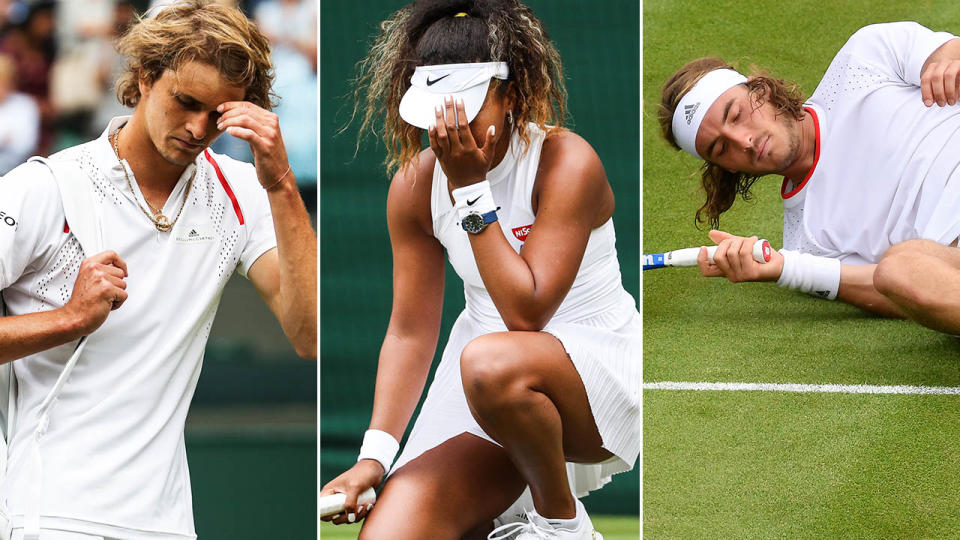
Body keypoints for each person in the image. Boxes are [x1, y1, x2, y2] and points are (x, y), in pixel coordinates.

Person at [319, 1, 640, 539]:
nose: (449, 135)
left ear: (509, 95)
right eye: (436, 117)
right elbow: (408, 332)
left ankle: (562, 525)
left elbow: (527, 312)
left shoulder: (568, 162)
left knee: (491, 362)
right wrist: (374, 457)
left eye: (464, 113)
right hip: (481, 380)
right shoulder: (414, 188)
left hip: (590, 377)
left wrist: (470, 191)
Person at [0, 2, 316, 539]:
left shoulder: (245, 192)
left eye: (218, 114)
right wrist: (70, 319)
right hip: (48, 516)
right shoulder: (43, 187)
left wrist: (283, 183)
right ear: (145, 77)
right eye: (185, 102)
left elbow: (309, 335)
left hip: (167, 524)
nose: (197, 128)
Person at [659, 21, 960, 334]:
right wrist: (784, 268)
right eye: (722, 148)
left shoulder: (864, 56)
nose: (744, 141)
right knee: (895, 272)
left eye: (736, 115)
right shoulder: (805, 245)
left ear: (760, 89)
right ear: (727, 169)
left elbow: (951, 52)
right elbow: (897, 294)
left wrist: (951, 61)